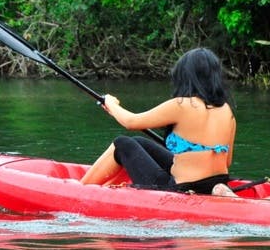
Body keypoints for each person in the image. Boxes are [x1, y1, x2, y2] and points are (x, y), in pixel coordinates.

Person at [80, 47, 237, 195]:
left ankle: (79, 189)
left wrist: (111, 104)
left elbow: (131, 122)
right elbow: (227, 161)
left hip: (181, 188)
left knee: (123, 144)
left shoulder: (182, 105)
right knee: (139, 142)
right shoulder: (226, 111)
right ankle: (108, 188)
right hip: (216, 182)